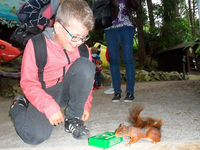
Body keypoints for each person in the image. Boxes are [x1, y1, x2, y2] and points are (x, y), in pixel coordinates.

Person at [10, 0, 95, 145]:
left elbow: (88, 80)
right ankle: (18, 105)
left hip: (68, 90)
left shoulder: (83, 50)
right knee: (34, 135)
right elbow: (28, 82)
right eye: (75, 36)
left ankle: (73, 120)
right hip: (45, 93)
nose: (79, 42)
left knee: (86, 66)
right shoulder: (36, 45)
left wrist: (85, 104)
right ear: (57, 27)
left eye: (84, 37)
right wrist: (48, 106)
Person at [104, 0, 138, 102]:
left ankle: (130, 92)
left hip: (126, 27)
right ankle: (117, 92)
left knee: (128, 58)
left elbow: (136, 6)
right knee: (113, 60)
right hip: (110, 28)